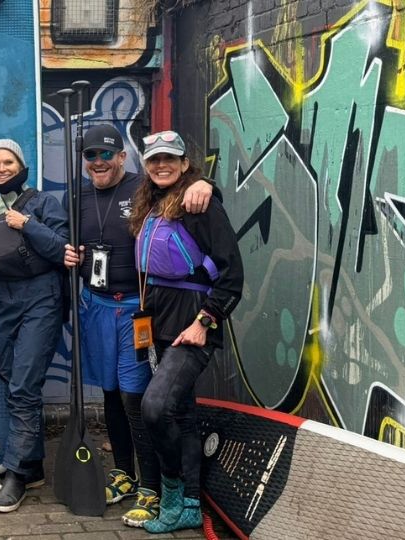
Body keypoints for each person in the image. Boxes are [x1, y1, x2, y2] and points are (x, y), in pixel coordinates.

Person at [61, 124, 213, 527]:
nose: (98, 162)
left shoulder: (142, 189)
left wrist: (207, 183)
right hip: (94, 304)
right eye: (90, 155)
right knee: (110, 392)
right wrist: (67, 253)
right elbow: (62, 237)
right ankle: (124, 474)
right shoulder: (75, 194)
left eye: (105, 155)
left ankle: (150, 487)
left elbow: (185, 187)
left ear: (122, 157)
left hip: (137, 309)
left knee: (135, 397)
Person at [128, 131, 242, 534]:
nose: (162, 165)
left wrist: (204, 322)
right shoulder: (151, 202)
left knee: (155, 407)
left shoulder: (201, 204)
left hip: (192, 324)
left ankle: (173, 492)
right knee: (181, 412)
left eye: (169, 159)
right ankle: (191, 505)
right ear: (145, 164)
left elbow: (233, 277)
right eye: (154, 159)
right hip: (158, 320)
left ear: (184, 162)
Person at [0, 139, 68, 513]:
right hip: (3, 301)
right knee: (10, 376)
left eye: (7, 162)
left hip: (41, 299)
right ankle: (33, 465)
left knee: (23, 386)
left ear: (21, 164)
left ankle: (16, 474)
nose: (0, 169)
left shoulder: (43, 203)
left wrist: (29, 225)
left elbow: (62, 251)